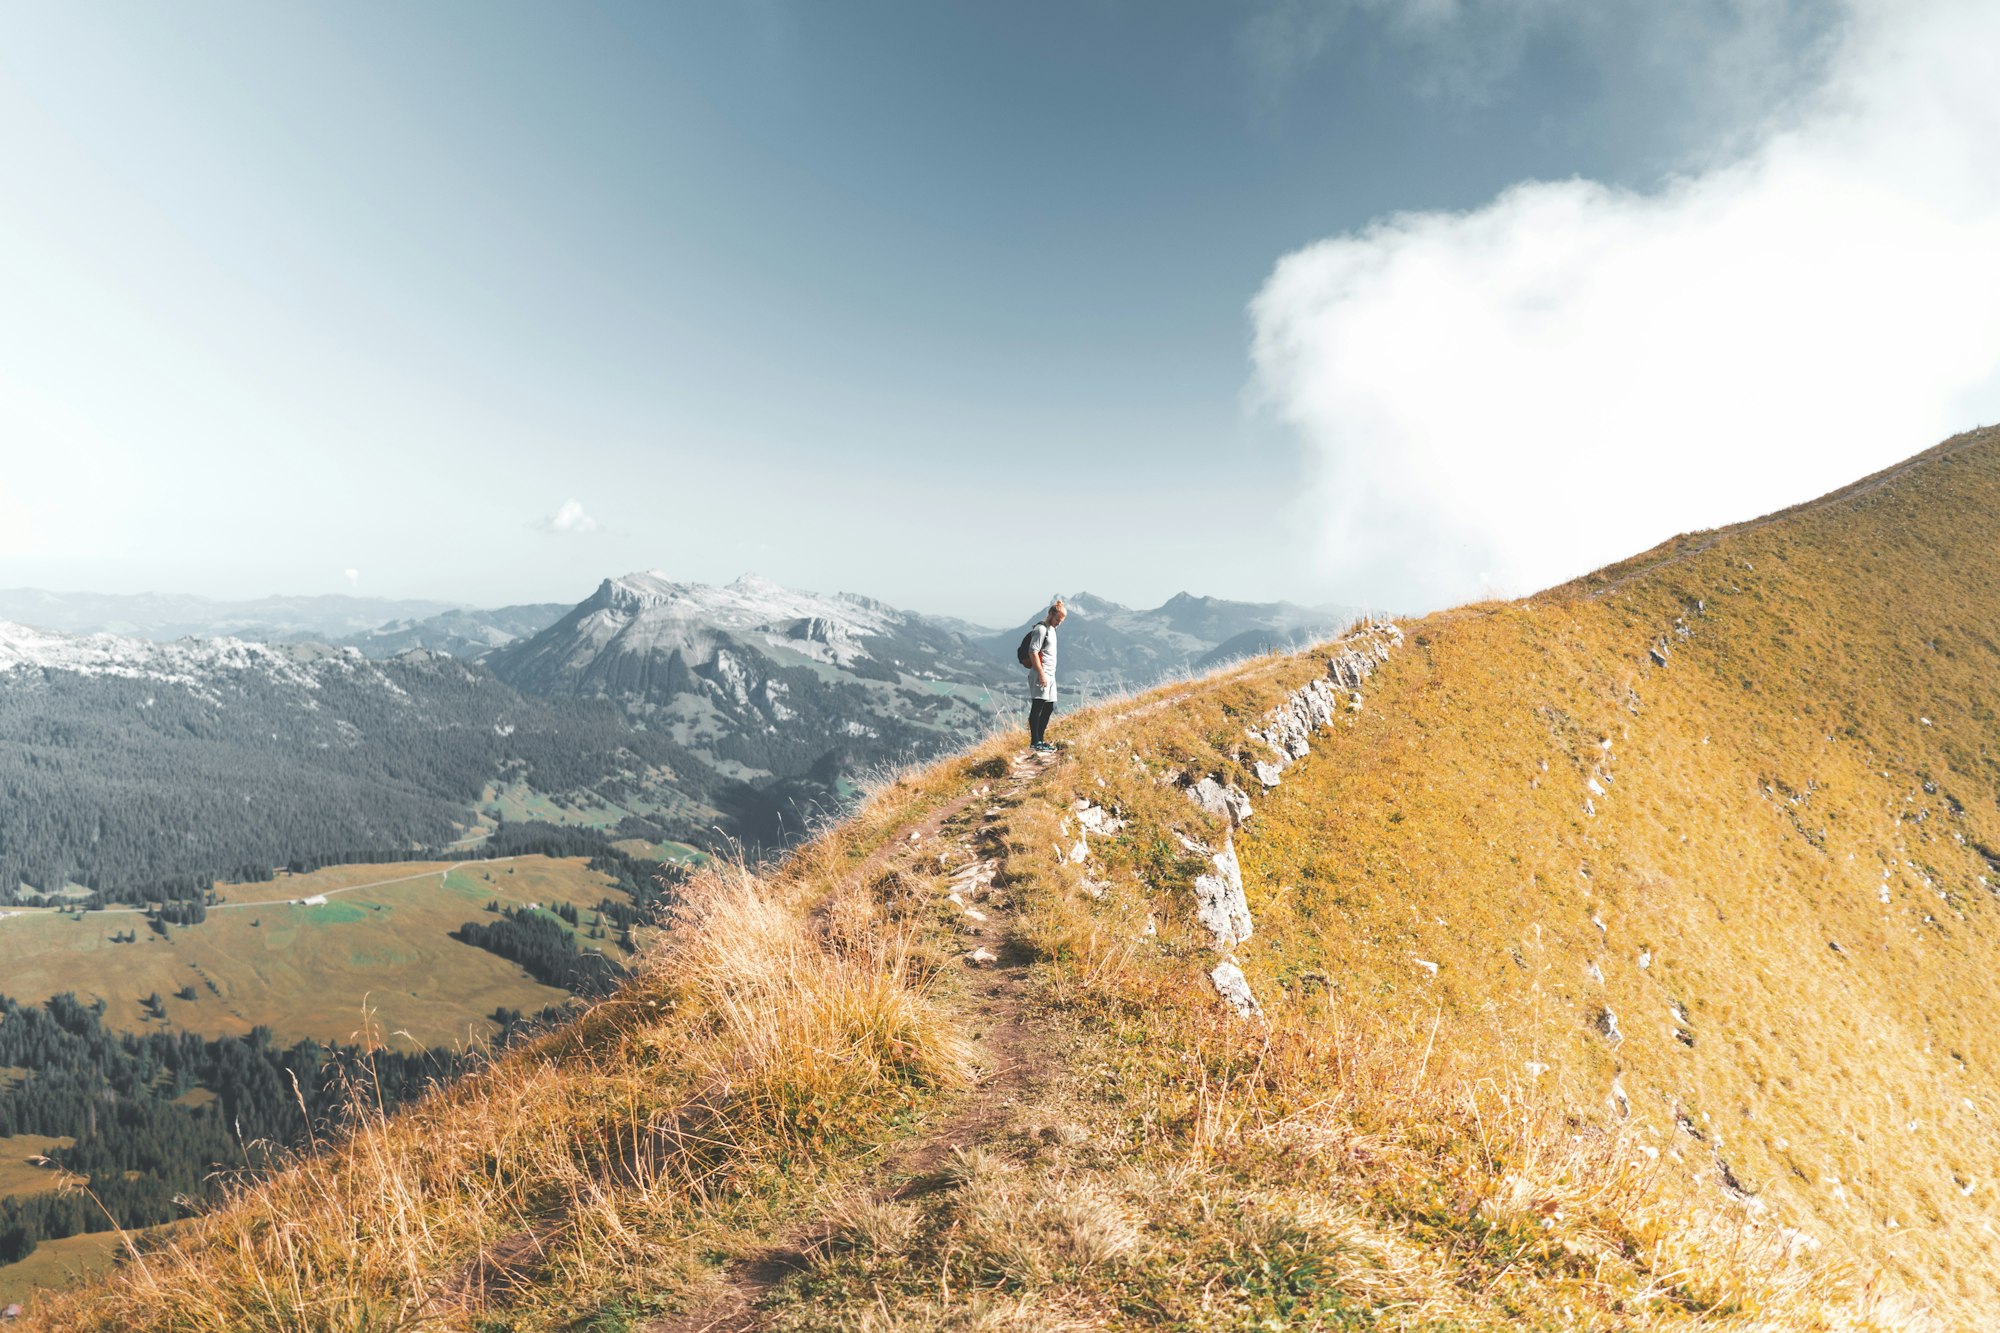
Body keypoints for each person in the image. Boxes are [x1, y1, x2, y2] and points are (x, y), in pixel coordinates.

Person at [1024, 597, 1066, 752]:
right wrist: (1041, 673)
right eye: (1057, 619)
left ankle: (1040, 740)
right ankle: (1035, 742)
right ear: (1050, 614)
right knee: (1038, 707)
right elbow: (1032, 651)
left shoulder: (1052, 630)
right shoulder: (1041, 629)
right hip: (1040, 674)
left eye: (1061, 621)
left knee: (1049, 707)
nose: (1058, 623)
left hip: (1050, 675)